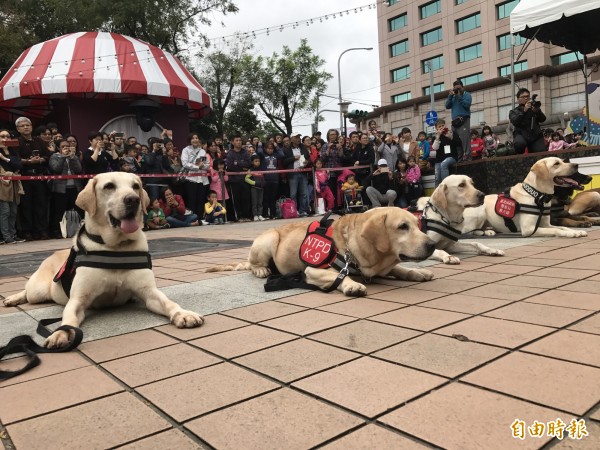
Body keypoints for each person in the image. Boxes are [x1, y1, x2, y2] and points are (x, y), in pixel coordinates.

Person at [16, 117, 52, 240]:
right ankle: (27, 231)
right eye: (22, 126)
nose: (26, 127)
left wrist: (41, 159)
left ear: (32, 127)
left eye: (28, 125)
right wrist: (28, 161)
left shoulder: (39, 141)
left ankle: (41, 230)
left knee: (41, 204)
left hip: (39, 175)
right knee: (26, 205)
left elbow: (48, 156)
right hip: (25, 176)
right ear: (18, 129)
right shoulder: (16, 142)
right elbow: (15, 160)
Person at [48, 139, 84, 238]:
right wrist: (63, 157)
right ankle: (57, 231)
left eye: (67, 146)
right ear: (58, 148)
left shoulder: (73, 156)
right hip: (61, 189)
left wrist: (73, 157)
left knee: (78, 209)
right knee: (60, 211)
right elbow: (56, 169)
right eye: (63, 146)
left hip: (74, 187)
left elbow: (79, 169)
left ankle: (80, 230)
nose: (66, 148)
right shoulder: (54, 157)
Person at [0, 129, 25, 244]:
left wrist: (5, 159)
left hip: (14, 184)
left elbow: (19, 165)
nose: (5, 139)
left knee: (14, 211)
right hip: (2, 185)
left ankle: (13, 234)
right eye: (2, 136)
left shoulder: (13, 152)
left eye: (8, 136)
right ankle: (6, 237)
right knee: (5, 211)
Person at [181, 133, 211, 219]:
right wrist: (197, 166)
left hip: (202, 179)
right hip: (191, 179)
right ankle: (192, 219)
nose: (195, 140)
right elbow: (185, 163)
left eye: (196, 138)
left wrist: (202, 166)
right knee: (192, 201)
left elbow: (207, 164)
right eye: (193, 138)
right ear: (190, 140)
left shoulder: (202, 151)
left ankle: (200, 219)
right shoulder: (186, 150)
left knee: (201, 201)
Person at [509, 88, 547, 154]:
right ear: (518, 99)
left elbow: (543, 119)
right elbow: (515, 122)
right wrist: (524, 111)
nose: (526, 98)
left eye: (527, 96)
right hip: (521, 134)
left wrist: (537, 111)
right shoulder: (514, 111)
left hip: (535, 135)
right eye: (523, 97)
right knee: (519, 144)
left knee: (541, 153)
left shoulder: (533, 108)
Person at [283, 132, 311, 217]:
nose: (298, 138)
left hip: (302, 172)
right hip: (293, 173)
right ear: (292, 139)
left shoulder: (303, 148)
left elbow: (309, 159)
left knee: (304, 193)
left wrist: (307, 162)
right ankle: (294, 211)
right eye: (296, 137)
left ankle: (302, 210)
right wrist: (294, 158)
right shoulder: (286, 149)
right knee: (293, 194)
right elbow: (284, 162)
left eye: (299, 137)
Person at [225, 134, 252, 222]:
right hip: (234, 180)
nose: (239, 142)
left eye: (240, 140)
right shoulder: (230, 153)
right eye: (236, 140)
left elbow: (248, 164)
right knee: (236, 199)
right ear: (232, 142)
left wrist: (237, 163)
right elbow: (230, 166)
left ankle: (246, 216)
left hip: (245, 179)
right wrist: (242, 166)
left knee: (246, 199)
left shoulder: (245, 152)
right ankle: (239, 217)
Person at [445, 79, 472, 161]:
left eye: (459, 88)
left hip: (463, 120)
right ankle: (459, 159)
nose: (457, 90)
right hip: (454, 122)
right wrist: (450, 96)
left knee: (465, 141)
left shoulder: (467, 95)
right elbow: (447, 106)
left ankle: (468, 159)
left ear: (463, 87)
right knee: (456, 141)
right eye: (456, 89)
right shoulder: (453, 97)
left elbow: (467, 105)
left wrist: (459, 96)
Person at [432, 119, 460, 187]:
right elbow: (435, 148)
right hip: (439, 159)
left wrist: (451, 137)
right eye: (439, 126)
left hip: (451, 157)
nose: (441, 128)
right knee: (437, 176)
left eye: (442, 125)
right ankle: (437, 193)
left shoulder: (451, 133)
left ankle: (445, 186)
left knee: (444, 164)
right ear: (436, 128)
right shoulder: (435, 137)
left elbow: (459, 144)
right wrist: (438, 137)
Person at [261, 142, 279, 219]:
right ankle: (265, 214)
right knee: (266, 198)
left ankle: (273, 214)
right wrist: (259, 145)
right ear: (265, 149)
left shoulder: (275, 155)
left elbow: (282, 154)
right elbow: (258, 152)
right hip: (266, 179)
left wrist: (276, 146)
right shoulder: (263, 156)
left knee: (273, 198)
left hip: (275, 179)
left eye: (271, 148)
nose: (270, 150)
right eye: (268, 148)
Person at [245, 154, 266, 221]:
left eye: (258, 161)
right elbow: (246, 179)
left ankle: (260, 214)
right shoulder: (250, 170)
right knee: (254, 202)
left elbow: (263, 177)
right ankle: (255, 215)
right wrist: (254, 183)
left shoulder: (261, 169)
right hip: (254, 188)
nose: (257, 162)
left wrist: (263, 182)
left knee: (260, 202)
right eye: (256, 161)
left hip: (261, 188)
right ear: (252, 162)